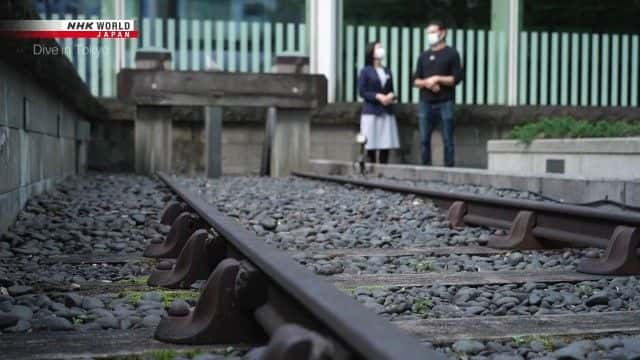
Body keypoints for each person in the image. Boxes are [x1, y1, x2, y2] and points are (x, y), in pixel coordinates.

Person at [413, 20, 464, 167]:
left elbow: (456, 78)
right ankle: (425, 168)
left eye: (433, 32)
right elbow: (415, 80)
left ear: (443, 32)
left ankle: (449, 169)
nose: (430, 36)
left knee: (448, 139)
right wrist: (428, 83)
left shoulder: (452, 54)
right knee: (424, 139)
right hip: (426, 102)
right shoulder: (423, 56)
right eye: (428, 33)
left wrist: (438, 79)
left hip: (445, 102)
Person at [358, 41, 400, 164]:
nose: (382, 50)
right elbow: (362, 91)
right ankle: (371, 166)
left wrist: (391, 96)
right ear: (371, 52)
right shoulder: (365, 71)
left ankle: (384, 166)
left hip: (386, 110)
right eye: (379, 48)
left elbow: (391, 89)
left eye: (382, 47)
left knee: (385, 141)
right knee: (370, 141)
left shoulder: (387, 71)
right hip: (371, 111)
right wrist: (377, 96)